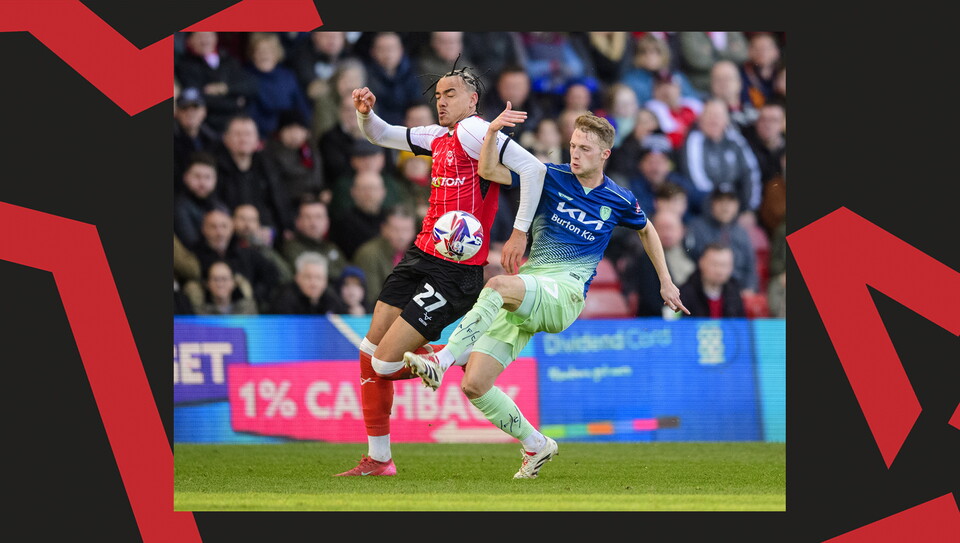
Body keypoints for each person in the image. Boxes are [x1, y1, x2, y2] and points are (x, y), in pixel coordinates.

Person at [402, 106, 689, 479]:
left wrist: (666, 280)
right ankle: (536, 444)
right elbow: (489, 171)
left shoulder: (619, 198)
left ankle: (441, 361)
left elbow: (647, 229)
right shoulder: (548, 176)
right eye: (573, 145)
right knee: (475, 384)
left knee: (497, 284)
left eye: (585, 148)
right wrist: (492, 132)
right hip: (531, 287)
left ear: (605, 154)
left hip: (564, 293)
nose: (575, 153)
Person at [333, 63, 545, 477]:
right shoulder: (437, 136)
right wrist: (365, 113)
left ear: (473, 100)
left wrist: (519, 233)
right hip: (420, 255)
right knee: (368, 353)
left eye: (450, 94)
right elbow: (381, 134)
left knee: (384, 365)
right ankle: (379, 459)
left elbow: (534, 169)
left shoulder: (474, 131)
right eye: (437, 96)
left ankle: (452, 356)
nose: (441, 102)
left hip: (454, 271)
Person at [215, 114, 296, 241]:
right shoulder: (215, 168)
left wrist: (273, 231)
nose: (243, 139)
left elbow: (278, 202)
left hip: (266, 235)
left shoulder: (268, 166)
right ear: (225, 138)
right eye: (238, 134)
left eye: (248, 134)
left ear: (257, 140)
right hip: (228, 236)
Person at [677, 98, 762, 216]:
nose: (714, 120)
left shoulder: (736, 140)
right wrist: (722, 208)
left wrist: (749, 209)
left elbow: (751, 172)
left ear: (726, 120)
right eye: (709, 115)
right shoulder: (694, 141)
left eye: (718, 116)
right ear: (700, 119)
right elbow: (697, 180)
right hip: (706, 210)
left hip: (737, 206)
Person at [175, 31, 258, 133]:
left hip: (236, 122)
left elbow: (251, 86)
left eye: (208, 35)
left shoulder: (228, 59)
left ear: (216, 37)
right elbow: (198, 98)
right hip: (208, 126)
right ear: (189, 41)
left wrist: (226, 89)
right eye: (200, 36)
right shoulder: (185, 66)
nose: (205, 40)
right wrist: (235, 102)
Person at [684, 184, 759, 294]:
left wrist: (749, 288)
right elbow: (689, 261)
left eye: (730, 202)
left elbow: (750, 266)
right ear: (711, 204)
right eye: (720, 201)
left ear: (737, 205)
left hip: (737, 291)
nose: (725, 207)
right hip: (702, 290)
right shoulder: (696, 227)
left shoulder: (742, 232)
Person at [244, 32, 313, 138]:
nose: (264, 55)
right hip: (263, 135)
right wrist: (280, 132)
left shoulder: (287, 76)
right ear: (252, 54)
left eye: (269, 51)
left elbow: (302, 107)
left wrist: (302, 128)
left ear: (277, 53)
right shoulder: (246, 77)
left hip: (291, 132)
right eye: (259, 51)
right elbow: (251, 113)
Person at [352, 205, 418, 307]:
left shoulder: (418, 253)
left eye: (406, 230)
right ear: (384, 229)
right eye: (395, 229)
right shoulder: (369, 254)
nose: (401, 236)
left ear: (414, 231)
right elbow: (372, 298)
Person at [281, 195, 348, 281]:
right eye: (307, 217)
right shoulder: (291, 248)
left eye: (318, 217)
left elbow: (347, 274)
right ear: (298, 222)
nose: (313, 223)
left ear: (327, 222)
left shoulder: (331, 247)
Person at [678, 242, 746, 318]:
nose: (719, 271)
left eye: (724, 265)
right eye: (714, 264)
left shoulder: (734, 291)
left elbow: (739, 322)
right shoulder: (685, 293)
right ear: (701, 263)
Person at [174, 152, 227, 249]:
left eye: (207, 177)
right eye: (197, 176)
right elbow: (191, 243)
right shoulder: (178, 207)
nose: (202, 183)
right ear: (185, 177)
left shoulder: (220, 207)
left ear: (215, 179)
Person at [173, 87, 221, 194]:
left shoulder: (213, 140)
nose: (190, 112)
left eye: (195, 107)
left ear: (204, 111)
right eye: (184, 108)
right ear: (177, 112)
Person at [232, 203, 294, 284]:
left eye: (252, 220)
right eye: (242, 219)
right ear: (233, 221)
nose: (247, 224)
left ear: (258, 224)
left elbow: (286, 275)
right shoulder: (227, 245)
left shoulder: (262, 248)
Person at [268, 251, 348, 314]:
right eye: (308, 277)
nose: (314, 283)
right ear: (297, 278)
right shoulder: (284, 300)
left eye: (318, 278)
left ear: (325, 280)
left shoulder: (332, 299)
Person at [193, 259, 259, 315]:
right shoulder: (200, 313)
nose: (220, 284)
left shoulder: (247, 310)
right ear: (208, 283)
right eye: (215, 279)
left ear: (234, 282)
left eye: (224, 279)